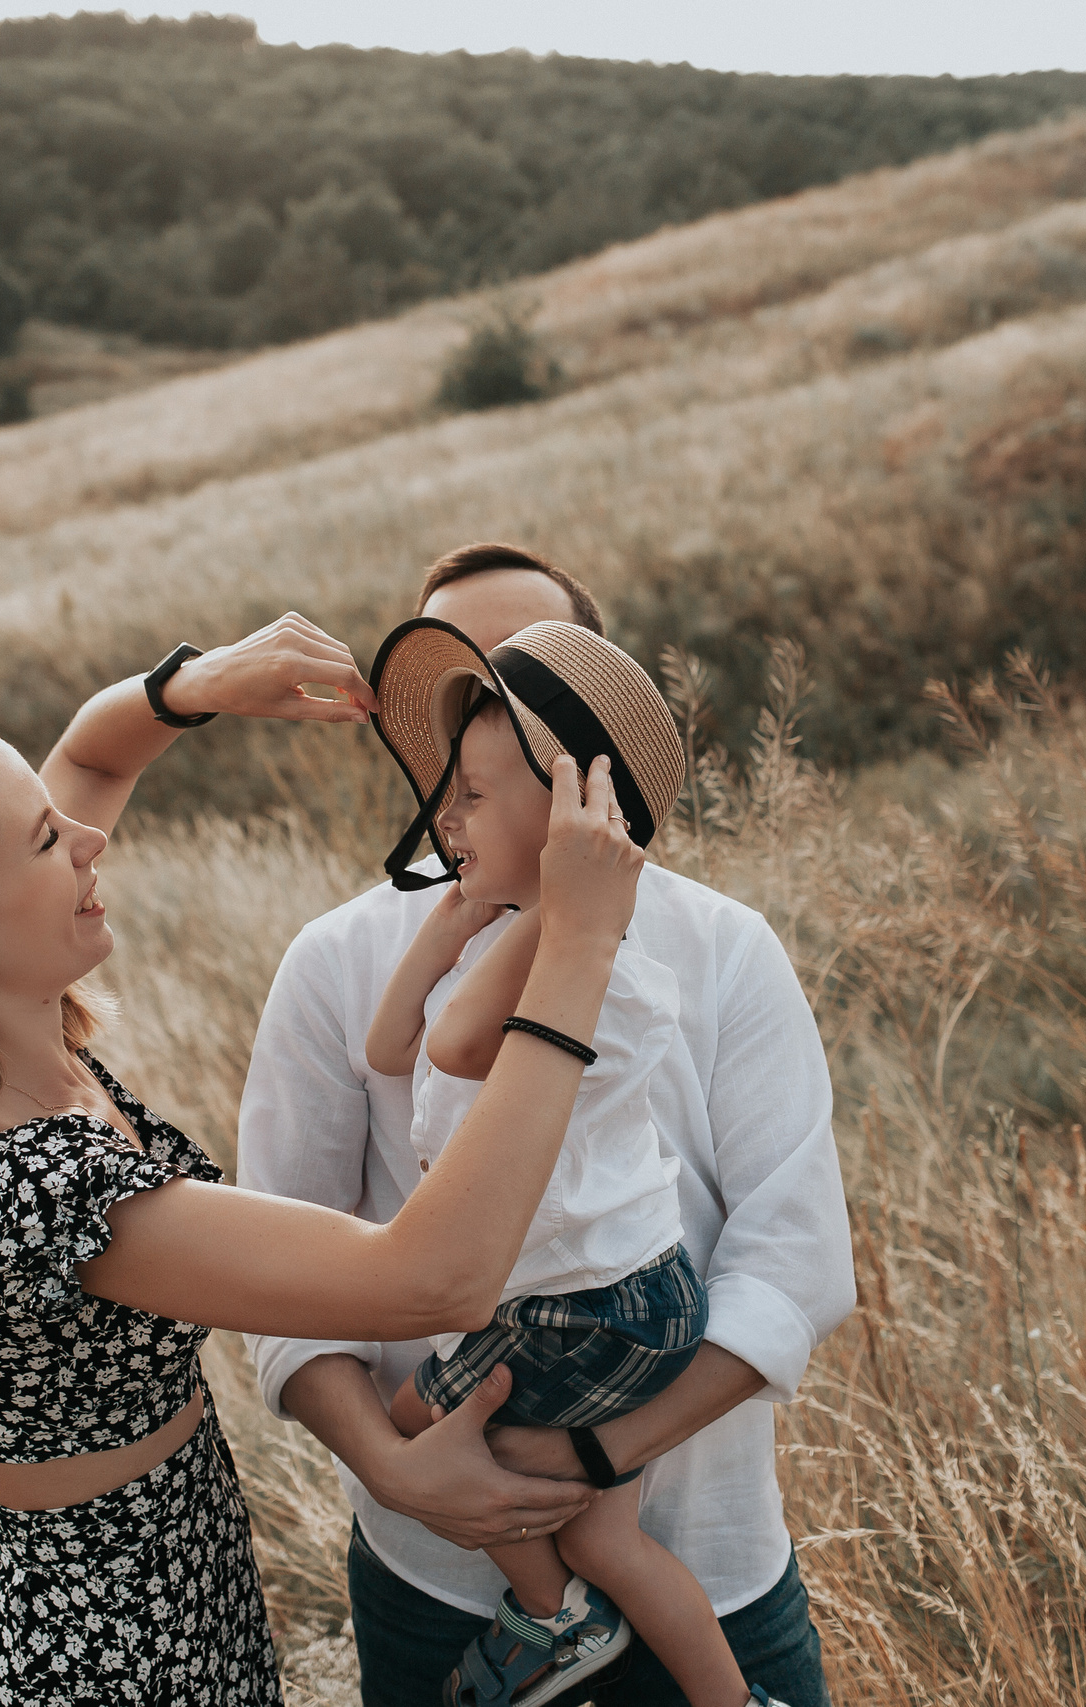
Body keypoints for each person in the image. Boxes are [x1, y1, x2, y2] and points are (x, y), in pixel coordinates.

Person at [0, 611, 647, 1705]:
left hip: (122, 1594)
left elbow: (92, 750)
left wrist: (200, 685)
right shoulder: (32, 1184)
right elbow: (434, 1276)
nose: (88, 838)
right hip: (86, 1657)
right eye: (43, 840)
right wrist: (577, 948)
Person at [240, 548, 854, 1707]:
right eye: (464, 703)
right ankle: (543, 1612)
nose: (482, 722)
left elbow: (795, 1262)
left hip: (711, 1568)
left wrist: (590, 1457)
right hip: (439, 1587)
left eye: (527, 697)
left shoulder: (722, 948)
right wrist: (401, 1470)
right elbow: (282, 1274)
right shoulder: (338, 958)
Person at [359, 614, 779, 1707]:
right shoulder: (528, 935)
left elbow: (447, 1048)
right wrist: (449, 926)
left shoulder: (574, 948)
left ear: (567, 821)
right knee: (607, 1536)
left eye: (473, 798)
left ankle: (553, 1622)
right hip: (611, 1295)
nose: (442, 817)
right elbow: (388, 1049)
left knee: (414, 1424)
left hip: (596, 1308)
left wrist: (487, 926)